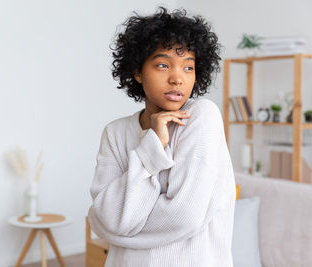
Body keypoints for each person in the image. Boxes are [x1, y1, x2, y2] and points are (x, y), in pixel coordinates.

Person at [87, 6, 236, 267]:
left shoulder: (202, 117)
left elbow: (185, 217)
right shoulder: (115, 132)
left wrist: (121, 229)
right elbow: (102, 222)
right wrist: (153, 145)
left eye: (188, 68)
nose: (177, 78)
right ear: (137, 71)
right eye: (163, 65)